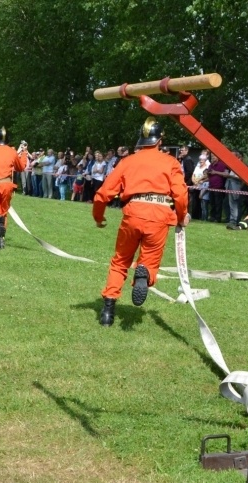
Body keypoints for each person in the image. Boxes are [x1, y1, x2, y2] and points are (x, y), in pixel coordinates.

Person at [93, 118, 189, 327]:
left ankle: (108, 311)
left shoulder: (127, 161)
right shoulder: (171, 162)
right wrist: (182, 216)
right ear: (160, 140)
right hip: (160, 215)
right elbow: (180, 195)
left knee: (120, 261)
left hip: (133, 212)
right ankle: (143, 276)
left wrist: (98, 217)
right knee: (149, 261)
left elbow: (102, 194)